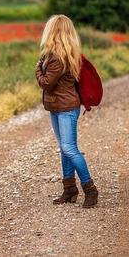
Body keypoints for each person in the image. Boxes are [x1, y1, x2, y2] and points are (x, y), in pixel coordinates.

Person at [35, 14, 98, 208]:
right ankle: (69, 189)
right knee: (65, 148)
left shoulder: (56, 58)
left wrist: (38, 68)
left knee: (69, 148)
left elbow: (45, 83)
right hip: (60, 107)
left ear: (53, 31)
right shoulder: (68, 53)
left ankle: (90, 189)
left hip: (65, 109)